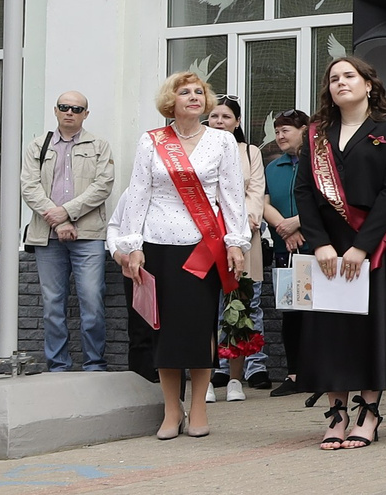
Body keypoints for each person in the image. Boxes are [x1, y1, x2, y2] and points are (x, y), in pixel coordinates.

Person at [107, 71, 250, 441]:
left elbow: (232, 195)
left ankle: (199, 407)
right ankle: (172, 409)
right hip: (157, 246)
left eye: (199, 92)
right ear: (171, 100)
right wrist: (132, 245)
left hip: (203, 247)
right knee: (164, 331)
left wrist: (236, 241)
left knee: (199, 329)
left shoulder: (221, 141)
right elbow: (138, 193)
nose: (193, 97)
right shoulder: (151, 141)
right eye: (184, 92)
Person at [294, 54, 386, 450]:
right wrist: (321, 243)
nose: (341, 82)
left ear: (368, 83)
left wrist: (362, 247)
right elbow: (304, 192)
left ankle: (369, 411)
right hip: (327, 247)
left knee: (370, 328)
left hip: (372, 243)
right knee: (330, 331)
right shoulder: (316, 134)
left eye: (349, 75)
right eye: (334, 78)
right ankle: (336, 413)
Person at [18, 92, 115, 375]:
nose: (69, 112)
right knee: (52, 305)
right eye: (64, 107)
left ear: (86, 113)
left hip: (89, 234)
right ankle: (58, 366)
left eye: (77, 108)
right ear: (55, 111)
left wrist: (68, 212)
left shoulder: (99, 145)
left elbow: (103, 186)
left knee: (92, 301)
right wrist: (58, 220)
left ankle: (94, 365)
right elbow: (29, 187)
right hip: (47, 235)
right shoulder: (37, 146)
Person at [204, 98, 270, 395]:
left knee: (245, 302)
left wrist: (246, 221)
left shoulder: (250, 151)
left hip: (244, 234)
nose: (219, 121)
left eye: (226, 116)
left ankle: (253, 366)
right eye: (214, 116)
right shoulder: (199, 149)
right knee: (211, 304)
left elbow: (256, 190)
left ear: (237, 122)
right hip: (206, 236)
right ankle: (219, 366)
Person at [259, 110, 310, 394]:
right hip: (284, 249)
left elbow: (328, 200)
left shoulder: (317, 164)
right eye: (277, 131)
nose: (280, 136)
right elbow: (263, 202)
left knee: (317, 313)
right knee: (290, 313)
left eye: (286, 130)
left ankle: (318, 371)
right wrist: (285, 227)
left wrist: (300, 222)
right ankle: (293, 374)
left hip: (315, 248)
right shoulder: (272, 167)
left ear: (304, 130)